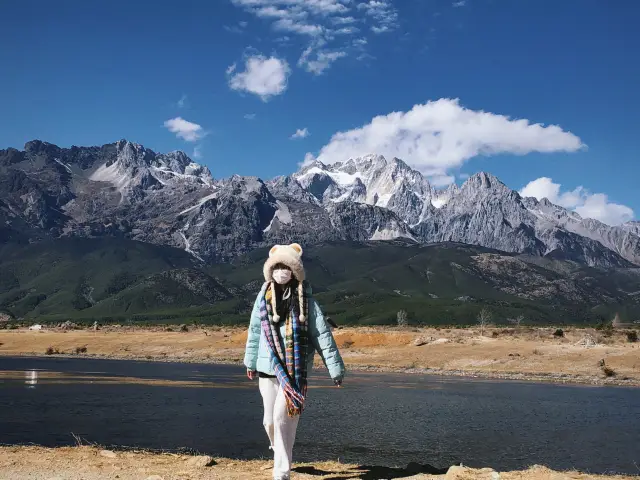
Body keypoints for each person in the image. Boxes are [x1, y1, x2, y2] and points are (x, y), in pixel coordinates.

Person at [244, 243, 345, 480]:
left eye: (286, 267)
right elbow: (255, 332)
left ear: (295, 271)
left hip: (294, 372)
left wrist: (335, 370)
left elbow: (322, 336)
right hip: (267, 370)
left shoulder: (307, 302)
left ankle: (281, 472)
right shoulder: (263, 299)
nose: (281, 272)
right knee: (269, 422)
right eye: (277, 267)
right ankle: (280, 451)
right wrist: (250, 363)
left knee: (282, 418)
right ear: (270, 270)